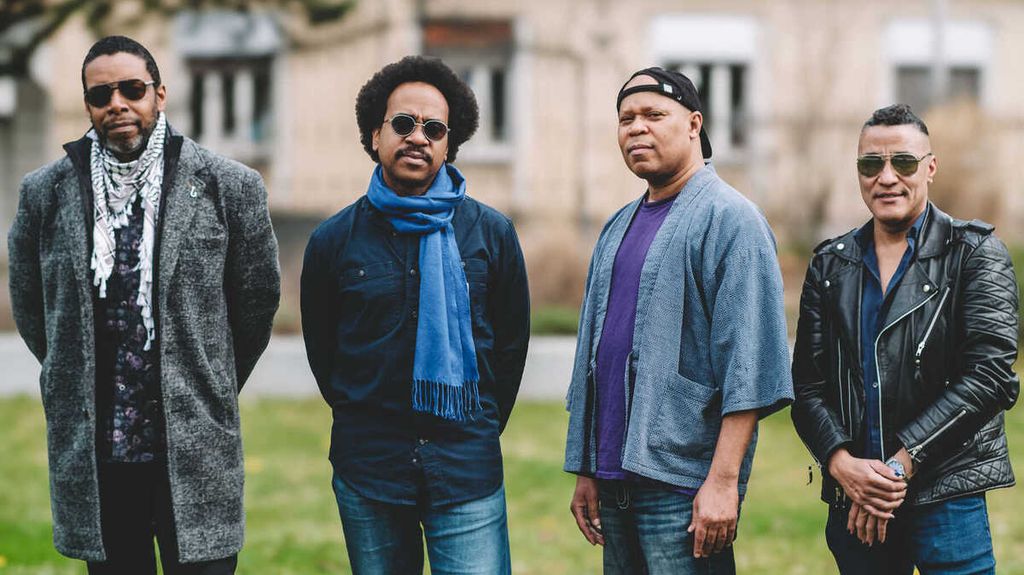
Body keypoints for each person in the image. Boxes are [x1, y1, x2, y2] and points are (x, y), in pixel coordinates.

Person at [7, 36, 280, 574]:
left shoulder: (229, 186)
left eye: (132, 89)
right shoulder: (45, 193)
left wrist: (208, 381)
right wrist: (73, 376)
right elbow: (34, 309)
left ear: (159, 94)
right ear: (88, 105)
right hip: (100, 453)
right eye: (101, 94)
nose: (117, 104)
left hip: (195, 447)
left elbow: (255, 303)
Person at [300, 55, 530, 574]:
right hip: (370, 469)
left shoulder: (492, 234)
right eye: (403, 123)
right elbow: (324, 353)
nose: (418, 137)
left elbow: (511, 348)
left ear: (450, 143)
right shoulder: (333, 241)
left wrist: (479, 424)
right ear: (375, 134)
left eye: (434, 129)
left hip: (465, 468)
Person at [563, 67, 793, 574]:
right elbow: (594, 356)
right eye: (626, 119)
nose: (637, 128)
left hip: (683, 486)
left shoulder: (731, 219)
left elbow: (750, 364)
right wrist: (586, 467)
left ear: (693, 125)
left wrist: (723, 482)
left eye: (653, 114)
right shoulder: (617, 226)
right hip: (615, 481)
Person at [791, 103, 1019, 574]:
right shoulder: (830, 266)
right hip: (855, 498)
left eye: (904, 162)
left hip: (947, 494)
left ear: (930, 168)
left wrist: (898, 467)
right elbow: (808, 387)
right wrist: (842, 464)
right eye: (871, 164)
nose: (887, 177)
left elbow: (990, 377)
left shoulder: (975, 254)